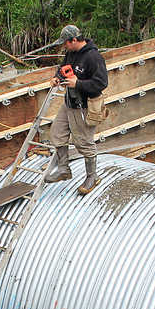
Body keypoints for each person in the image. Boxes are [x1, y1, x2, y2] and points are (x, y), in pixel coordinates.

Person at [45, 24, 108, 195]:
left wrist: (78, 83)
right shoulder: (71, 53)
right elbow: (63, 68)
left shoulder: (93, 57)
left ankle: (92, 176)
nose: (64, 46)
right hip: (69, 103)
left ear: (74, 40)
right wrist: (57, 78)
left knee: (83, 142)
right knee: (57, 133)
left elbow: (101, 83)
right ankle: (63, 169)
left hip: (85, 106)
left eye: (65, 43)